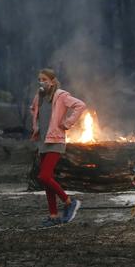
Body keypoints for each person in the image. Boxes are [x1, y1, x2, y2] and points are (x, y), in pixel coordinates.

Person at [30, 68, 86, 227]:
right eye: (39, 79)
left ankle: (69, 202)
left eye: (44, 80)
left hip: (56, 140)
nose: (41, 82)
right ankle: (53, 216)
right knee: (47, 181)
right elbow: (33, 110)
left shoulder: (61, 96)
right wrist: (35, 126)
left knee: (44, 176)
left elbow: (80, 105)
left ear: (52, 81)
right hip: (43, 141)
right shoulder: (39, 97)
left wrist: (67, 123)